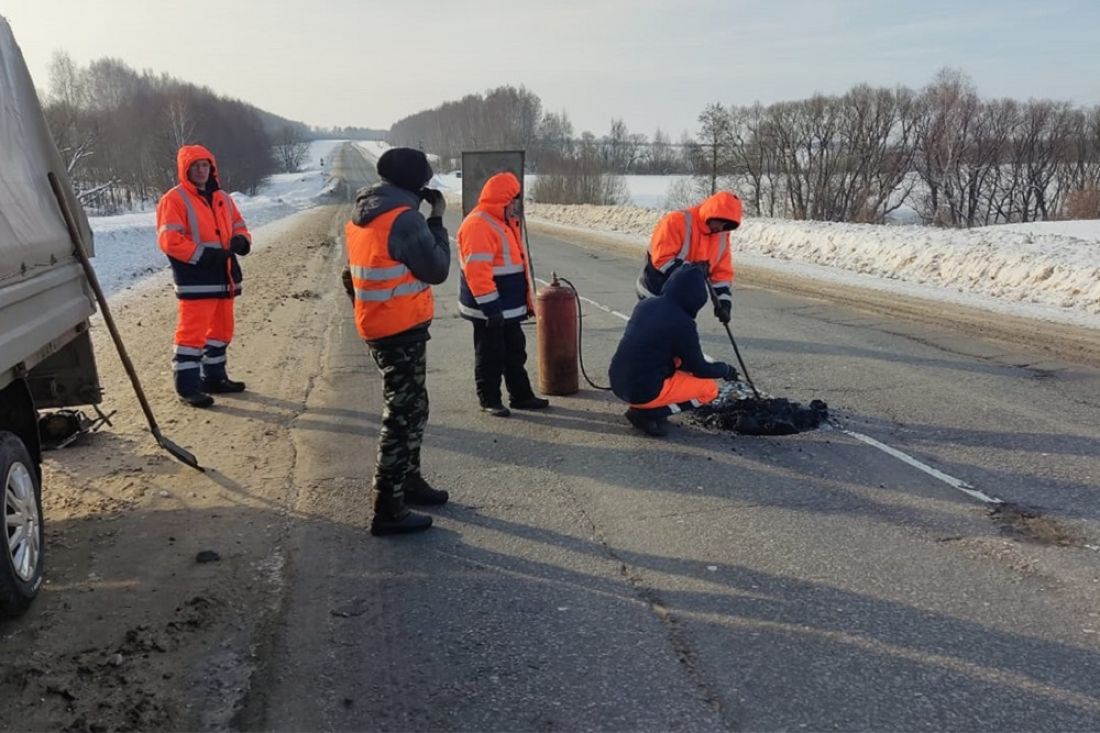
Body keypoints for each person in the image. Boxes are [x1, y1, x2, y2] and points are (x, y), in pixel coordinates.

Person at [342, 147, 450, 536]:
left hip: (380, 324)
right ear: (415, 182)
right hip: (399, 327)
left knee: (415, 405)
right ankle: (388, 505)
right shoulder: (404, 221)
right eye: (425, 177)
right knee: (403, 414)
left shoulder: (362, 214)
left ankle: (408, 482)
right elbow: (437, 268)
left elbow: (349, 275)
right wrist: (436, 220)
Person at [156, 144, 251, 408]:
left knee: (221, 332)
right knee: (192, 337)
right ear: (185, 170)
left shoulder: (223, 197)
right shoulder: (174, 199)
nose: (201, 170)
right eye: (195, 166)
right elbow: (170, 240)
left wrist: (242, 241)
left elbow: (239, 225)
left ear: (212, 168)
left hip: (224, 277)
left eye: (205, 165)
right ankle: (187, 387)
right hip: (196, 279)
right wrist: (206, 255)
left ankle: (215, 379)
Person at [456, 172, 549, 417]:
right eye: (515, 201)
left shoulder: (504, 223)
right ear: (504, 200)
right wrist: (491, 307)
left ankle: (521, 396)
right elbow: (477, 271)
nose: (518, 206)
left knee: (515, 351)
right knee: (490, 355)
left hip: (506, 306)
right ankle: (489, 399)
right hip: (489, 307)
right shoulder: (479, 224)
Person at [610, 263, 738, 437]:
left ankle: (648, 406)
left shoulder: (646, 305)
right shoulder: (683, 324)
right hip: (642, 391)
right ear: (697, 298)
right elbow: (699, 368)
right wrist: (725, 369)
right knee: (709, 389)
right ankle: (647, 413)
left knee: (678, 361)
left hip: (618, 382)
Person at [635, 191, 743, 325]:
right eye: (720, 221)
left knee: (678, 337)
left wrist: (723, 302)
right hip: (655, 292)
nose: (721, 228)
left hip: (683, 299)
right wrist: (694, 272)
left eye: (726, 225)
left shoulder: (721, 236)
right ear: (711, 213)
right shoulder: (677, 221)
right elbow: (662, 260)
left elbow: (721, 274)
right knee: (651, 335)